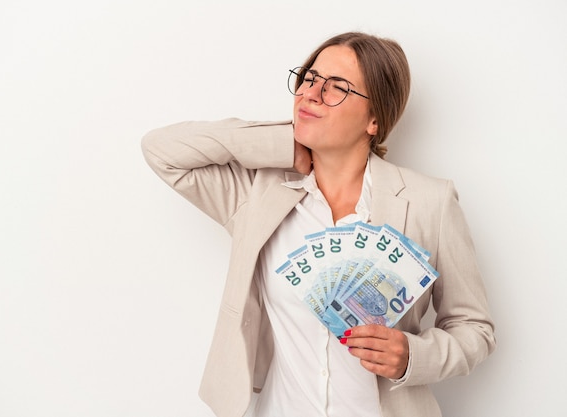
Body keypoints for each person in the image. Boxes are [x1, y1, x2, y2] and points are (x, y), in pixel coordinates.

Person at [141, 31, 496, 417]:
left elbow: (473, 328)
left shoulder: (431, 202)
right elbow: (162, 150)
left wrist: (413, 356)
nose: (311, 93)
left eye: (337, 88)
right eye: (309, 79)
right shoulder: (255, 195)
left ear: (374, 119)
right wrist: (281, 141)